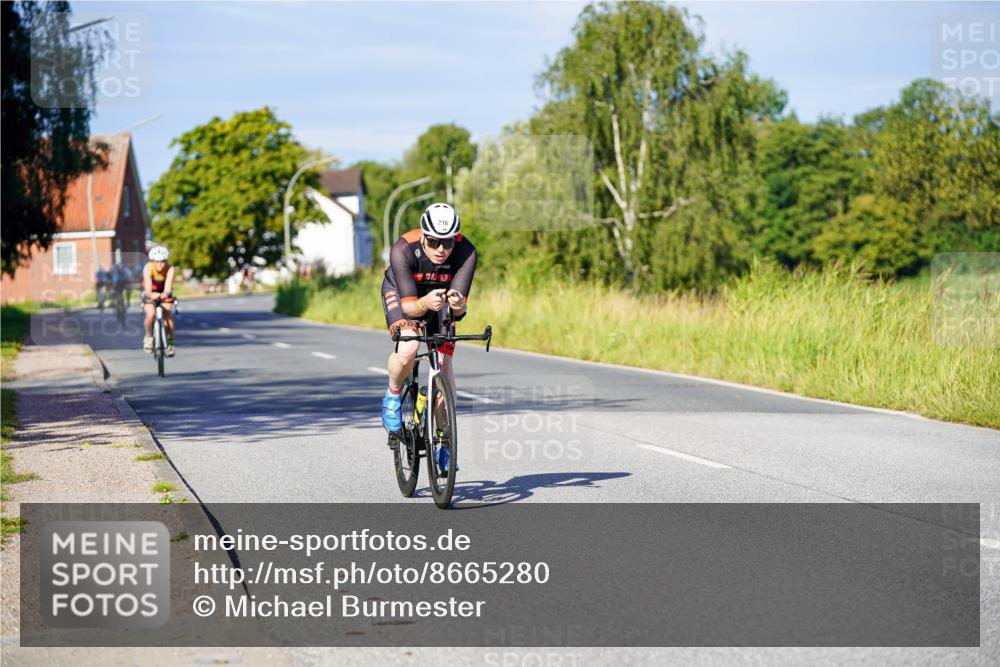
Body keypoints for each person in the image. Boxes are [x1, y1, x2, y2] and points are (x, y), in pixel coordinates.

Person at [380, 203, 476, 470]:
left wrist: (458, 305)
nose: (441, 250)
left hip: (440, 298)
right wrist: (423, 304)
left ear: (455, 239)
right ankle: (393, 393)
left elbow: (460, 310)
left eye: (447, 243)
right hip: (405, 295)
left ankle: (443, 441)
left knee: (444, 366)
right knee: (409, 348)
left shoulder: (466, 252)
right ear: (423, 236)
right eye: (433, 242)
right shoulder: (402, 250)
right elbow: (410, 307)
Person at [142, 245, 177, 356]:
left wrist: (164, 294)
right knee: (151, 314)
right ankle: (148, 337)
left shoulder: (170, 269)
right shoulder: (148, 268)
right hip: (150, 291)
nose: (159, 264)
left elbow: (168, 287)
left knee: (167, 314)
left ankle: (170, 342)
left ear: (165, 261)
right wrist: (151, 295)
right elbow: (147, 288)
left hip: (164, 292)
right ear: (152, 261)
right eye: (156, 262)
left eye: (162, 261)